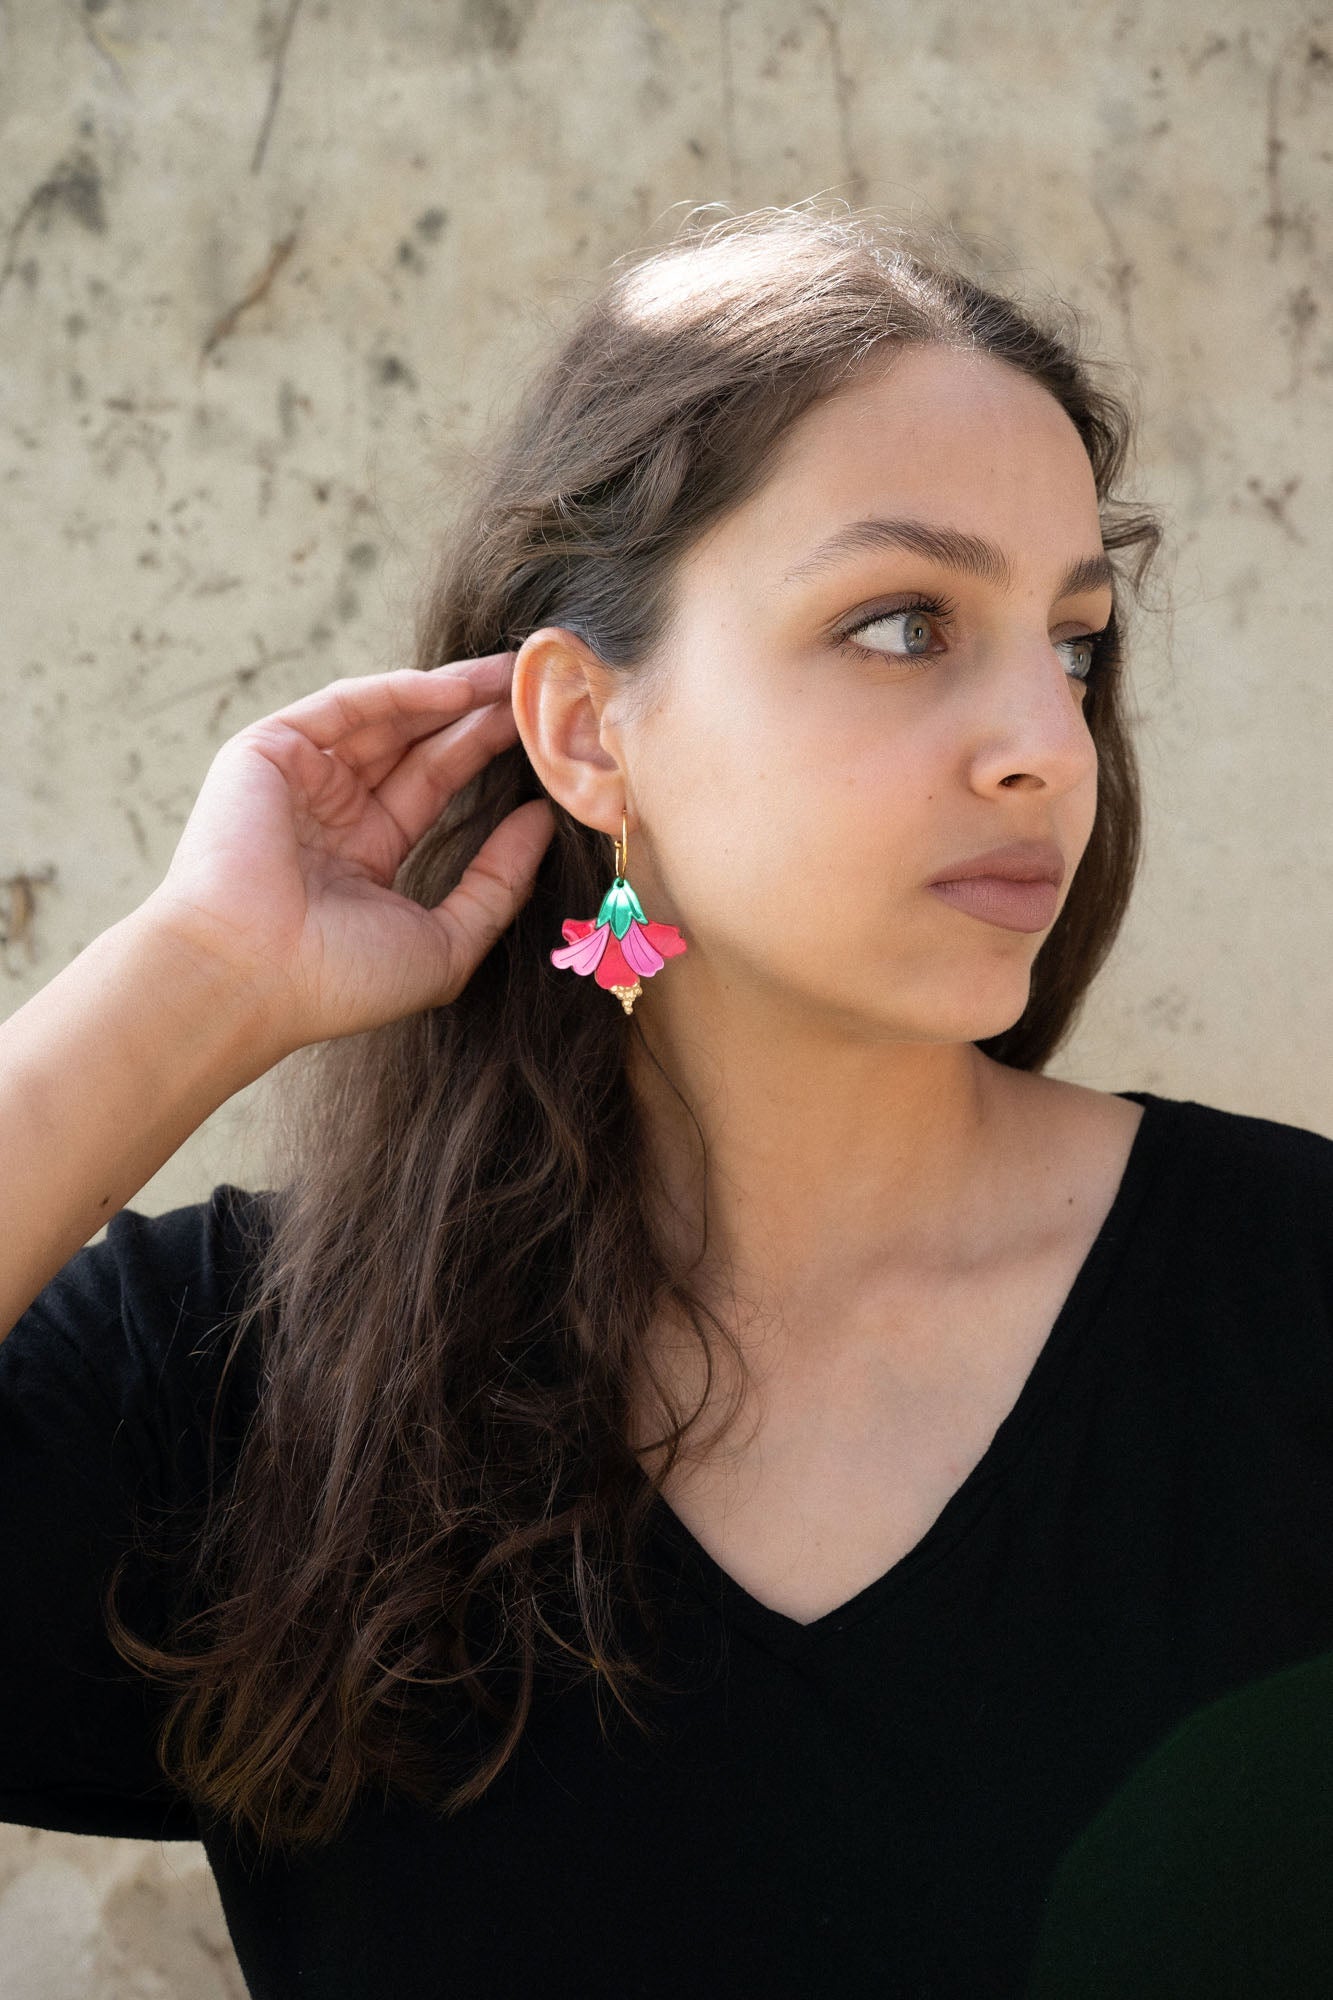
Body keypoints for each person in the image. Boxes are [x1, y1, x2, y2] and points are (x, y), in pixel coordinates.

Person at [1, 206, 1330, 2000]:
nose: (1042, 735)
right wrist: (193, 981)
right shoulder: (245, 1382)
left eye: (1073, 642)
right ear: (587, 730)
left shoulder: (1290, 1303)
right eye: (901, 622)